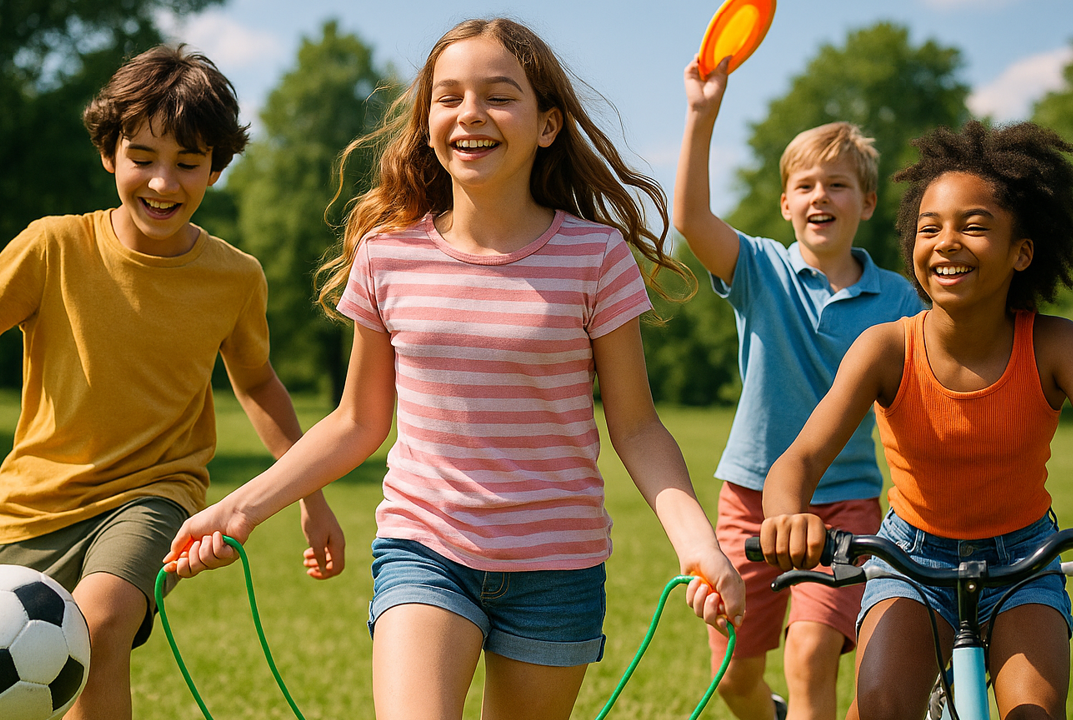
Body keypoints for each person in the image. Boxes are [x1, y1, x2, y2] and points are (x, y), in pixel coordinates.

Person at [162, 18, 745, 720]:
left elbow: (638, 427)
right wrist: (238, 508)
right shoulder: (388, 255)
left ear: (548, 125)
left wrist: (696, 544)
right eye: (449, 97)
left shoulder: (595, 258)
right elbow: (356, 421)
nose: (470, 113)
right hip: (424, 550)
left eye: (499, 96)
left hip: (557, 567)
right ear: (428, 120)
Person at [0, 45, 344, 720]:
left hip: (155, 492)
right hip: (34, 507)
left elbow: (258, 384)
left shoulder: (235, 276)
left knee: (100, 626)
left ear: (216, 168)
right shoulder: (52, 247)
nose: (163, 183)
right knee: (27, 679)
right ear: (109, 153)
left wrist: (310, 494)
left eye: (188, 164)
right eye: (144, 159)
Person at [758, 120, 1073, 719]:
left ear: (1022, 251)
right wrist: (786, 515)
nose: (946, 241)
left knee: (1034, 713)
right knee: (879, 705)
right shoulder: (885, 348)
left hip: (1024, 560)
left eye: (974, 227)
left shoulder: (1056, 345)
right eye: (930, 228)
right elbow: (801, 457)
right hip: (910, 560)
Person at [674, 58, 924, 720]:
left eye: (838, 185)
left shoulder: (898, 299)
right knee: (733, 677)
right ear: (785, 203)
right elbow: (692, 217)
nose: (821, 197)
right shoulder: (760, 270)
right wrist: (701, 114)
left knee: (811, 654)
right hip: (748, 502)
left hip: (844, 506)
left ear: (867, 203)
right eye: (806, 185)